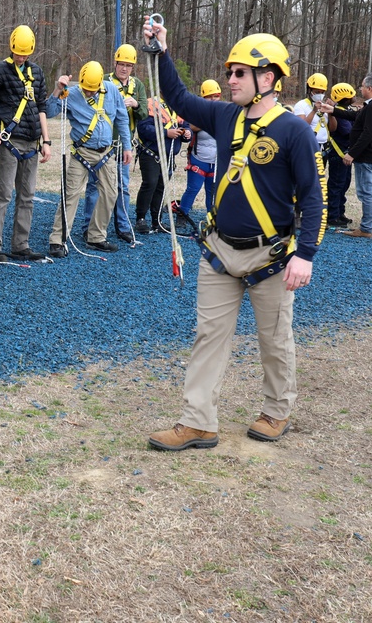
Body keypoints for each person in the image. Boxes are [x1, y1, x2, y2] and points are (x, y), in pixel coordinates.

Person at [142, 24, 324, 451]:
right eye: (231, 73)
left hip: (273, 259)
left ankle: (277, 411)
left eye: (240, 72)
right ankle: (198, 421)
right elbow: (180, 100)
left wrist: (307, 254)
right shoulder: (225, 116)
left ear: (268, 79)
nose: (231, 80)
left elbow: (313, 199)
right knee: (209, 336)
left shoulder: (294, 131)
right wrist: (163, 53)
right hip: (220, 252)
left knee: (275, 340)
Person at [0, 25, 52, 262]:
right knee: (3, 194)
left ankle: (21, 244)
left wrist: (46, 141)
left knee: (27, 196)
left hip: (32, 143)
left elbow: (42, 108)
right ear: (11, 48)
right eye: (19, 53)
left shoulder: (36, 72)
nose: (22, 57)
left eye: (26, 54)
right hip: (10, 142)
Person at [44, 61, 132, 256]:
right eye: (86, 90)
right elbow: (50, 112)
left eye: (93, 90)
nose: (89, 93)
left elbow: (122, 118)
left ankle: (96, 236)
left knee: (110, 194)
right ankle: (58, 240)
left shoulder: (111, 90)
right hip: (81, 153)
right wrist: (57, 90)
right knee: (71, 194)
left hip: (106, 152)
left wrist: (127, 146)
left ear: (101, 83)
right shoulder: (72, 93)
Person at [81, 44, 147, 243]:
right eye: (121, 64)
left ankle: (123, 226)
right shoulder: (105, 81)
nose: (124, 68)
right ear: (115, 63)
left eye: (128, 65)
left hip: (123, 144)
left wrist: (135, 104)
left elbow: (144, 112)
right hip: (104, 144)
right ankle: (88, 227)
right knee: (95, 186)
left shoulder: (138, 86)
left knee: (122, 187)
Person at [320, 72, 372, 238]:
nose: (360, 89)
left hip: (368, 156)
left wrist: (352, 153)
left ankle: (365, 228)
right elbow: (355, 115)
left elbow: (367, 133)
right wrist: (333, 110)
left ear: (369, 88)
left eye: (363, 86)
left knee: (367, 192)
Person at [135, 95, 190, 234]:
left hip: (169, 155)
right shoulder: (150, 104)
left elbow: (185, 125)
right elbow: (143, 128)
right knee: (150, 184)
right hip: (151, 153)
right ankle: (140, 218)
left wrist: (187, 133)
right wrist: (166, 133)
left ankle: (156, 220)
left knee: (161, 186)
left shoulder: (178, 104)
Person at [177, 79, 221, 221]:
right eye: (209, 96)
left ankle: (211, 218)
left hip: (216, 161)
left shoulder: (224, 112)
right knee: (193, 189)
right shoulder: (197, 112)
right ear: (203, 97)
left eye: (216, 96)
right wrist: (208, 120)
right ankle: (182, 216)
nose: (213, 99)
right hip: (199, 159)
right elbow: (190, 127)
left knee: (212, 193)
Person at [322, 82, 355, 227]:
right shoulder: (339, 113)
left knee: (344, 183)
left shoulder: (345, 110)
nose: (354, 97)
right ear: (345, 97)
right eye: (351, 95)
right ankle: (332, 215)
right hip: (338, 153)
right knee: (336, 184)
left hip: (345, 153)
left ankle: (340, 212)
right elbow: (348, 131)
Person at [293, 73, 330, 153]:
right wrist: (314, 111)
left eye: (322, 92)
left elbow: (332, 128)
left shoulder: (324, 106)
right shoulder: (301, 105)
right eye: (317, 92)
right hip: (308, 147)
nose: (320, 94)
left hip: (323, 147)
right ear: (309, 90)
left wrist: (331, 112)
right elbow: (301, 127)